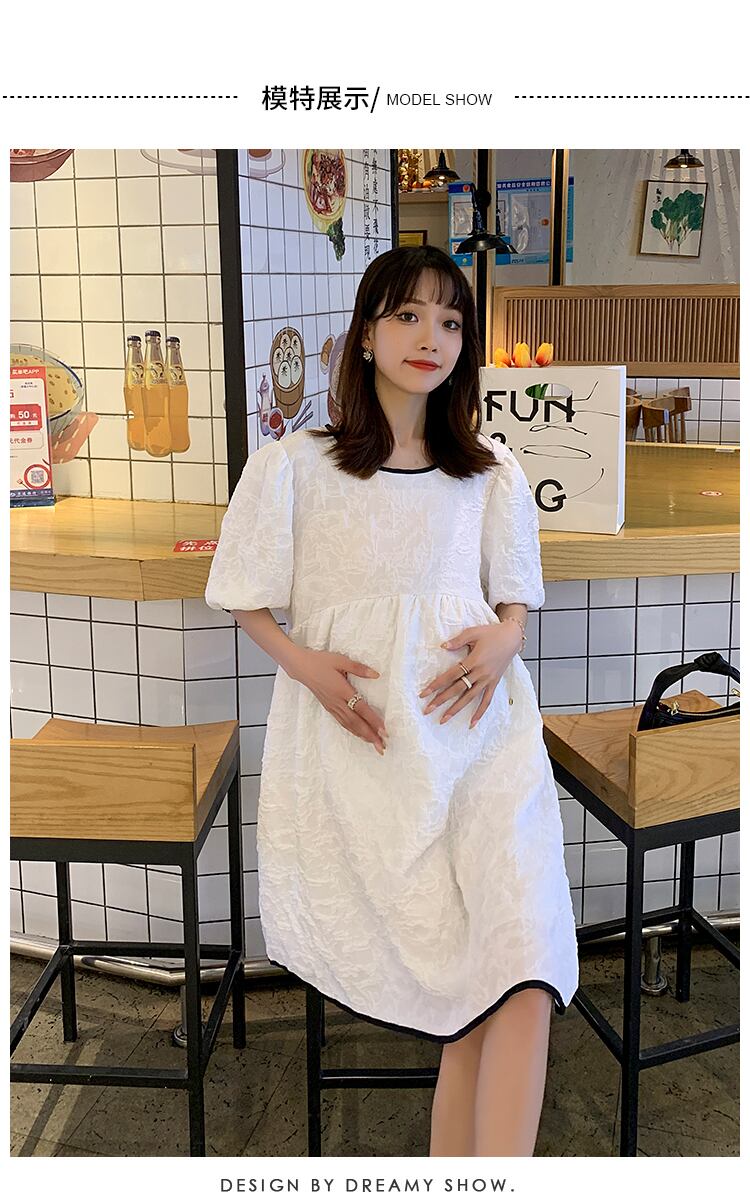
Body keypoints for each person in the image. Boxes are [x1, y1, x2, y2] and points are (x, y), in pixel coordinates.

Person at [205, 244, 579, 1157]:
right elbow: (241, 592)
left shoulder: (490, 470)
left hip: (487, 746)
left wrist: (508, 635)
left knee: (526, 967)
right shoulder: (297, 466)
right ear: (366, 333)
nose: (430, 337)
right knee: (476, 998)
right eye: (408, 314)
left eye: (450, 321)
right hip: (371, 764)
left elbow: (514, 594)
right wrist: (303, 664)